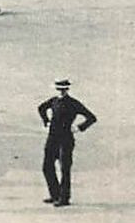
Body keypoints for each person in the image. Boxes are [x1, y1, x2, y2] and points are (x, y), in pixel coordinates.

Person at [38, 78, 97, 206]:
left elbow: (92, 118)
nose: (61, 91)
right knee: (47, 167)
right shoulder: (53, 101)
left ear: (67, 89)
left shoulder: (73, 103)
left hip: (66, 139)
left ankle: (64, 198)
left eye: (63, 89)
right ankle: (55, 195)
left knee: (64, 168)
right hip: (52, 137)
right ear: (56, 89)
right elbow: (41, 108)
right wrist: (46, 122)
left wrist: (79, 128)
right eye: (59, 89)